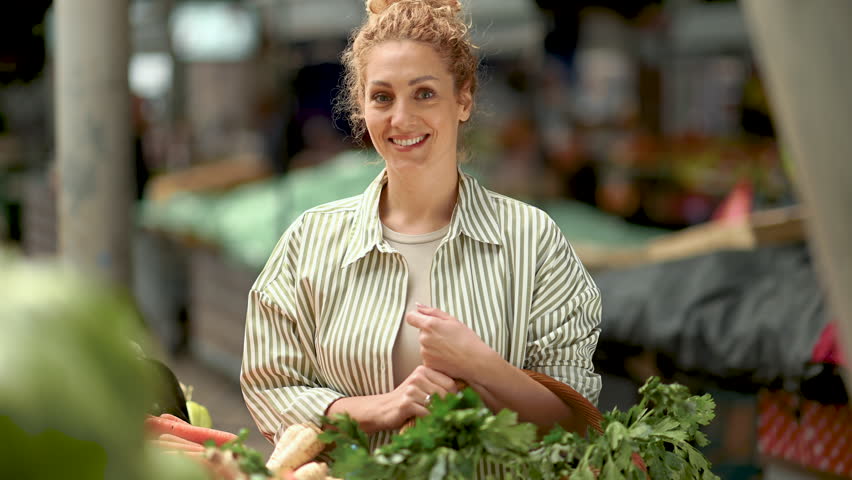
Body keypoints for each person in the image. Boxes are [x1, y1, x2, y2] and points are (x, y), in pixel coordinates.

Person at [240, 0, 602, 474]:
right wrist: (382, 408)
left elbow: (574, 424)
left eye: (425, 94)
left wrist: (479, 364)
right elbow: (271, 386)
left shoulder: (532, 241)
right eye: (383, 97)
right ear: (361, 105)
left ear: (464, 99)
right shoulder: (311, 240)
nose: (402, 118)